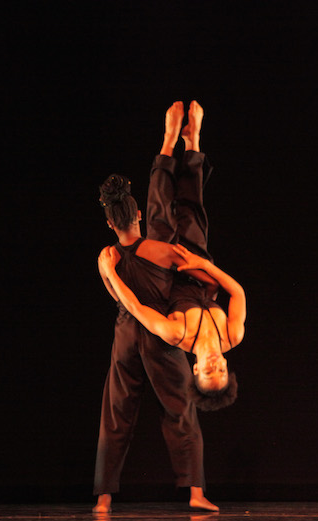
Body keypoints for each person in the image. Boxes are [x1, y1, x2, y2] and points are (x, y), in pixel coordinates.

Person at [92, 102, 219, 513]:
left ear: (110, 223)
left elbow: (117, 297)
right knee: (181, 409)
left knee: (116, 411)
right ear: (136, 215)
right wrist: (207, 283)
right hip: (162, 331)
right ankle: (195, 493)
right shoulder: (161, 250)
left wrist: (115, 277)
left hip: (128, 331)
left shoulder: (107, 256)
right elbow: (195, 264)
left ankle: (104, 499)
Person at [98, 101, 246, 411]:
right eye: (221, 371)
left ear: (196, 369)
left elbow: (136, 308)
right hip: (197, 264)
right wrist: (203, 264)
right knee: (193, 207)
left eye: (208, 372)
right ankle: (192, 141)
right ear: (226, 367)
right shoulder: (232, 335)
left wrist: (110, 273)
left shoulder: (177, 334)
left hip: (165, 266)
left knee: (159, 208)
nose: (215, 365)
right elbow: (237, 292)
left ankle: (168, 141)